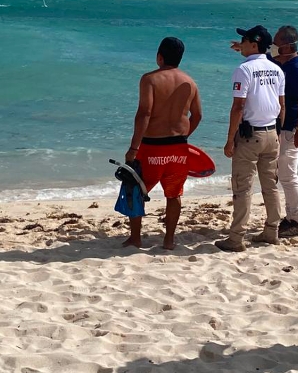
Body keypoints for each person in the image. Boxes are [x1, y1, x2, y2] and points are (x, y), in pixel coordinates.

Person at [123, 37, 202, 250]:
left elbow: (144, 113)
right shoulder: (190, 82)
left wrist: (134, 147)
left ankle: (136, 238)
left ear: (159, 57)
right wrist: (183, 137)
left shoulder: (149, 79)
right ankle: (169, 240)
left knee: (136, 191)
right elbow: (197, 115)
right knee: (174, 194)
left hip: (151, 148)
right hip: (178, 148)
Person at [214, 25, 286, 252]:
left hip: (250, 134)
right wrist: (279, 133)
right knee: (270, 186)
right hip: (271, 133)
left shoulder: (244, 70)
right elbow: (281, 105)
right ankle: (272, 230)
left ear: (253, 44)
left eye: (243, 41)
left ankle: (236, 238)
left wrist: (229, 139)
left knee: (243, 187)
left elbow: (238, 106)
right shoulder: (277, 69)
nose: (240, 44)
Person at [270, 26, 298, 238]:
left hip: (292, 128)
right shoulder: (280, 63)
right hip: (281, 128)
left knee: (288, 176)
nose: (273, 46)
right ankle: (289, 216)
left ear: (286, 46)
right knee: (281, 174)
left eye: (276, 42)